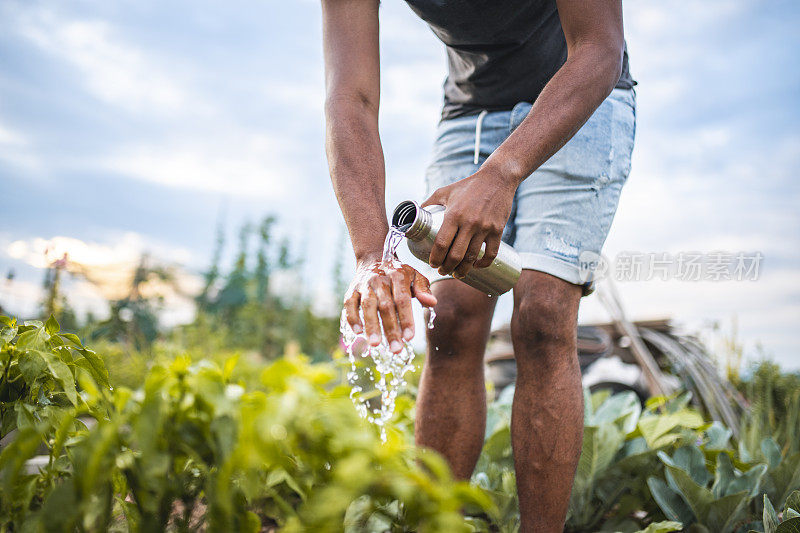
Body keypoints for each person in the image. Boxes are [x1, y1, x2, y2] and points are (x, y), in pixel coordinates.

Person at [322, 0, 635, 530]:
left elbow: (600, 49)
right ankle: (435, 523)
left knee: (540, 315)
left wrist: (501, 175)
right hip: (470, 115)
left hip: (580, 94)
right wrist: (372, 256)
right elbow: (348, 100)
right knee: (452, 321)